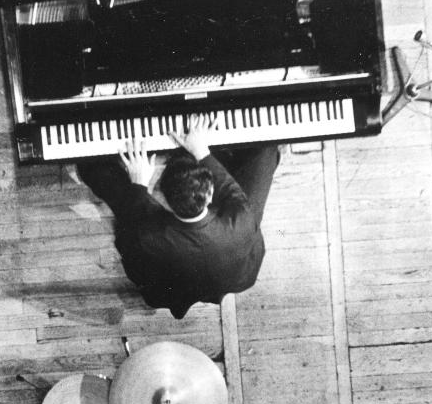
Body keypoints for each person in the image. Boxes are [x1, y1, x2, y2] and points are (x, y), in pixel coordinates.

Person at [77, 114, 280, 319]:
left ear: (164, 201)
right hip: (236, 275)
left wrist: (138, 186)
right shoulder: (242, 219)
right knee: (266, 152)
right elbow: (230, 190)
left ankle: (91, 166)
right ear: (210, 194)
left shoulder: (148, 236)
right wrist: (201, 151)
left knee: (107, 183)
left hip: (172, 288)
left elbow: (126, 251)